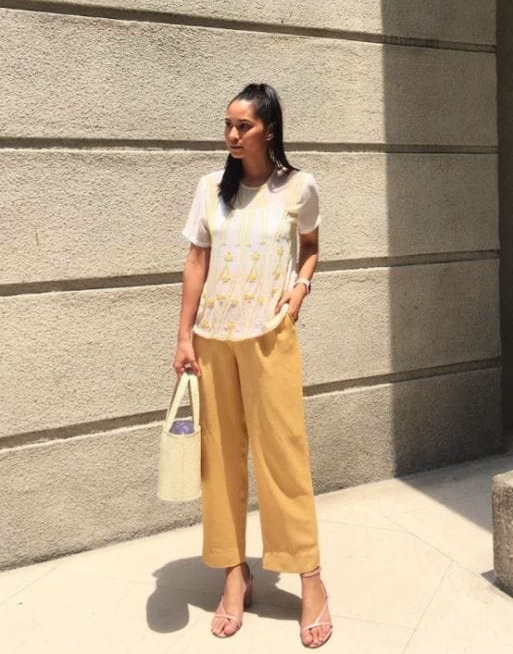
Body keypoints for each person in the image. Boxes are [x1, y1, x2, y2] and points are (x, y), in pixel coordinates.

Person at [173, 83, 333, 648]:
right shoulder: (209, 189)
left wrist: (300, 289)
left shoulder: (299, 187)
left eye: (243, 125)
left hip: (269, 335)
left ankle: (310, 579)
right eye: (228, 125)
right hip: (213, 339)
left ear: (270, 129)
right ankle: (233, 574)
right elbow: (196, 260)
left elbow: (311, 245)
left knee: (283, 456)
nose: (232, 135)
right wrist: (184, 335)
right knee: (219, 461)